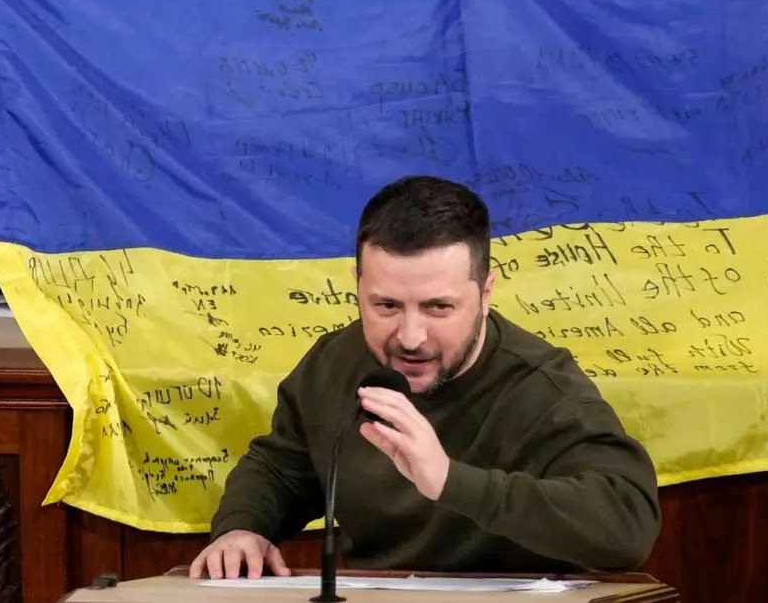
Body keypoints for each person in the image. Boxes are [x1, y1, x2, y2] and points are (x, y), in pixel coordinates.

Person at [188, 175, 660, 579]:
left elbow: (628, 527)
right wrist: (242, 528)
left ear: (486, 292)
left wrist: (450, 480)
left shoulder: (543, 389)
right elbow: (281, 468)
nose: (411, 337)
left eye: (439, 307)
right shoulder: (334, 362)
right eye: (386, 306)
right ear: (357, 285)